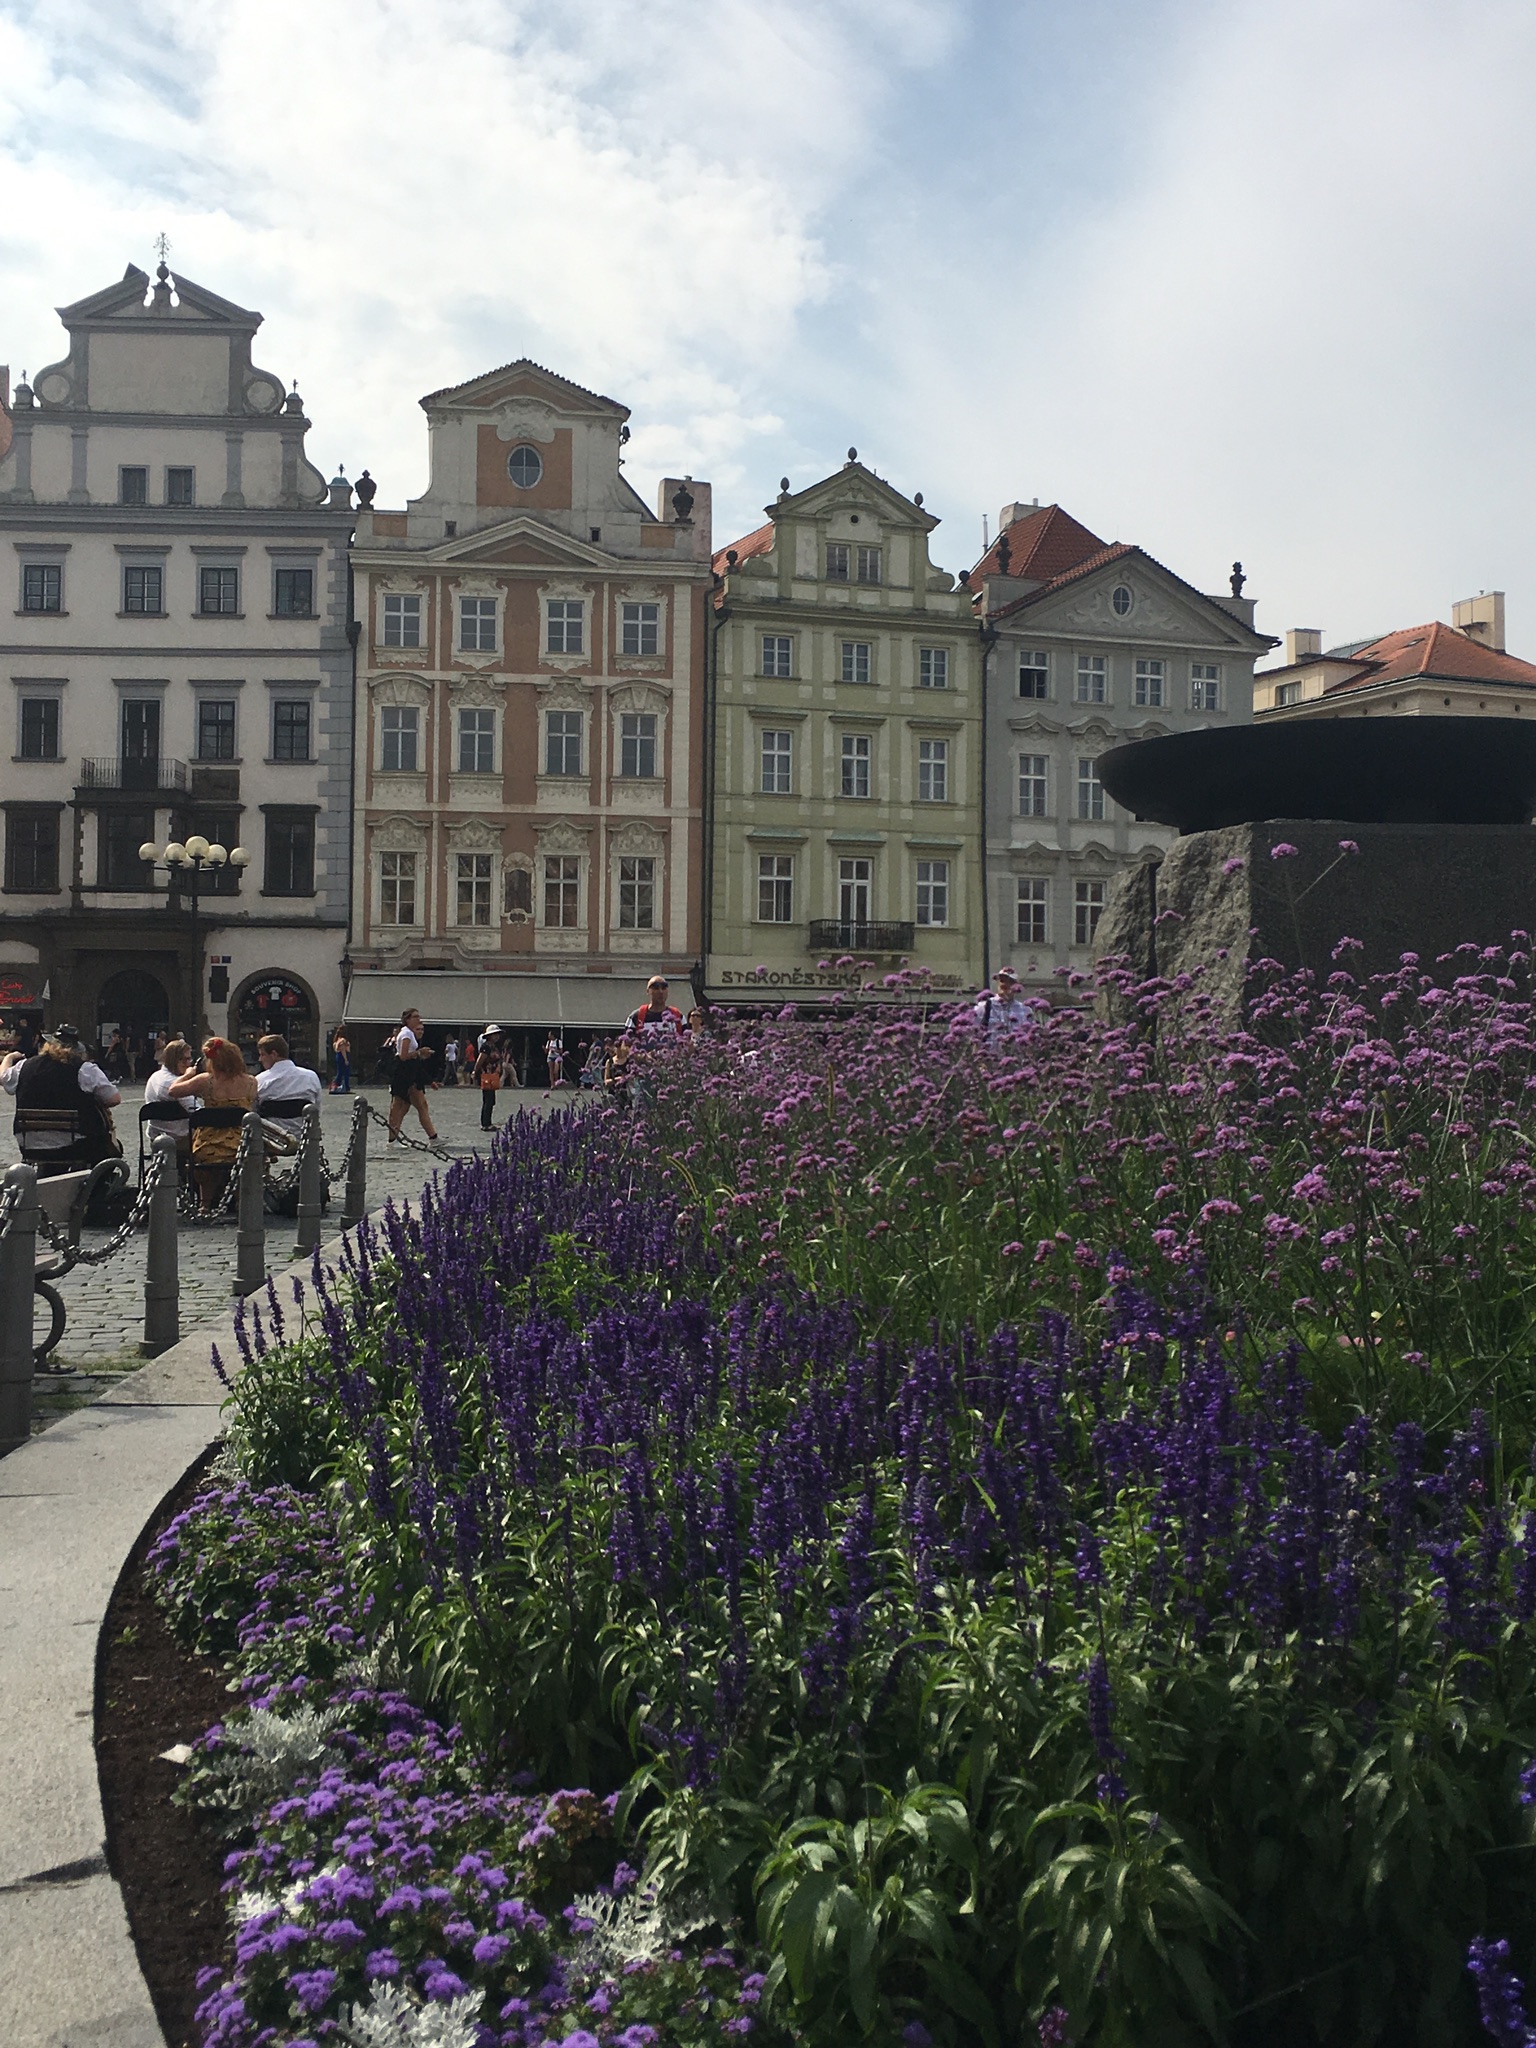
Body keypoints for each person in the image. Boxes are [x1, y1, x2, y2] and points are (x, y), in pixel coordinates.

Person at [0, 1022, 123, 1176]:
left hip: (30, 1144)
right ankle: (97, 1186)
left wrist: (10, 1057)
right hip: (74, 1145)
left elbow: (3, 1077)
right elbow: (114, 1099)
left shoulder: (24, 1067)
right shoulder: (84, 1069)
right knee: (105, 1148)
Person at [167, 1035, 257, 1214]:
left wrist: (187, 1075)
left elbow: (173, 1091)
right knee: (246, 1160)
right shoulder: (250, 1082)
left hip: (209, 1143)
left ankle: (205, 1204)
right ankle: (242, 1201)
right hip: (240, 1142)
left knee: (206, 1162)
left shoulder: (205, 1081)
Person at [254, 1033, 323, 1148]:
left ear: (274, 1054)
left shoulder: (260, 1081)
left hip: (271, 1140)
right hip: (304, 1136)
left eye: (262, 1054)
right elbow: (317, 1109)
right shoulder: (311, 1077)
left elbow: (254, 1112)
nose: (260, 1059)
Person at [143, 1037, 197, 1174]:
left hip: (155, 1135)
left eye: (190, 1059)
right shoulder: (173, 1084)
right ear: (174, 1060)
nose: (188, 1063)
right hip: (179, 1138)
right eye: (184, 1060)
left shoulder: (155, 1076)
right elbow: (197, 1113)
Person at [386, 1007, 440, 1145]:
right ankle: (432, 1137)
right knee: (400, 1106)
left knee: (408, 1106)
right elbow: (403, 1056)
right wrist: (419, 1052)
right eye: (415, 1016)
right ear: (407, 1019)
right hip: (404, 1073)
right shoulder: (406, 1034)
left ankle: (394, 1138)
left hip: (410, 1074)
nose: (418, 1019)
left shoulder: (409, 1033)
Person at [972, 966, 1035, 1042]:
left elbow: (1031, 1037)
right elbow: (973, 1034)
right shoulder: (983, 1007)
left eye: (1010, 982)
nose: (1005, 984)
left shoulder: (1025, 1011)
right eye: (1002, 981)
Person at [625, 976, 687, 1046]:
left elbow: (687, 1044)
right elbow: (626, 1045)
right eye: (656, 988)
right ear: (648, 991)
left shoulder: (678, 1017)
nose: (660, 992)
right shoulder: (635, 1017)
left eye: (664, 988)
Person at [473, 1024, 507, 1132]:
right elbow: (480, 1060)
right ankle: (485, 1123)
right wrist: (475, 1071)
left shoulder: (494, 1047)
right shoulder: (486, 1047)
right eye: (494, 1034)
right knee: (488, 1099)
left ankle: (488, 1121)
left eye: (498, 1034)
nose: (497, 1037)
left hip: (493, 1075)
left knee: (491, 1100)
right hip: (487, 1075)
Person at [329, 1028, 352, 1095]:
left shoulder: (336, 1040)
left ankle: (336, 1086)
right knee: (345, 1072)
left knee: (340, 1071)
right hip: (343, 1056)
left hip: (338, 1055)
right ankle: (344, 1086)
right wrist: (346, 1059)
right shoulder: (343, 1040)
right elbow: (343, 1049)